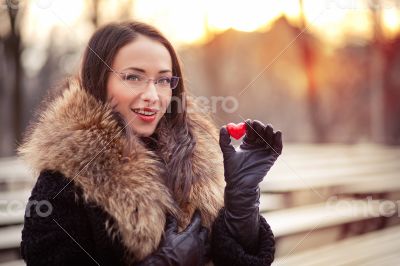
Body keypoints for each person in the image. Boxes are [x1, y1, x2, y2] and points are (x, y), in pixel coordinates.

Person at [18, 21, 282, 265]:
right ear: (98, 82)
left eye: (164, 80)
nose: (153, 96)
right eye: (133, 77)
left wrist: (241, 202)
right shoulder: (63, 183)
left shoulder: (194, 165)